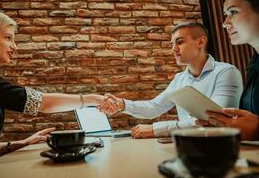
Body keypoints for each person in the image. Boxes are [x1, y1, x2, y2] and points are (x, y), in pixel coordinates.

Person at [0, 8, 104, 173]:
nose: (14, 46)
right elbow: (41, 103)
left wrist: (17, 144)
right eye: (8, 38)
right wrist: (90, 99)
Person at [99, 22, 243, 139]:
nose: (174, 49)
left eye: (179, 42)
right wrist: (122, 104)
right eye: (172, 44)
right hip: (187, 147)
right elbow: (154, 107)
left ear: (201, 41)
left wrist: (156, 129)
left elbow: (216, 121)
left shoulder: (226, 72)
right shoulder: (179, 79)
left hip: (221, 149)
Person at [197, 0, 259, 140]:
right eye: (226, 15)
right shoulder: (254, 65)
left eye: (233, 12)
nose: (225, 23)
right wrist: (229, 123)